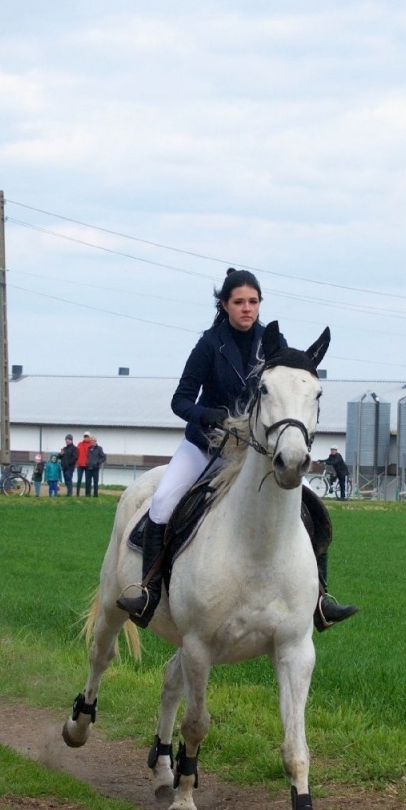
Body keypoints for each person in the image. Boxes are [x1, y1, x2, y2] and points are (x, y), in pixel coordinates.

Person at [116, 268, 357, 630]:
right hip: (207, 446)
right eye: (239, 302)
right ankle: (148, 590)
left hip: (255, 451)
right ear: (225, 305)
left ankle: (320, 598)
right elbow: (179, 400)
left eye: (253, 302)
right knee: (164, 501)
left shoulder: (272, 342)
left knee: (310, 505)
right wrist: (204, 414)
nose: (247, 308)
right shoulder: (210, 345)